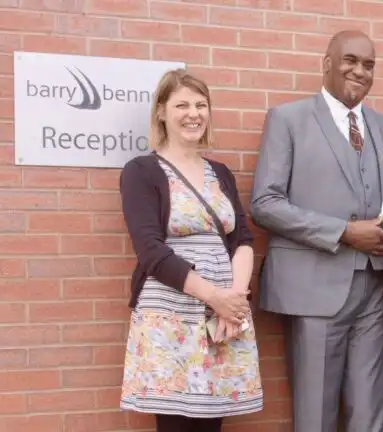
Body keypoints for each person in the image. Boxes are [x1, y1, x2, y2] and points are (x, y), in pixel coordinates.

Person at [250, 30, 383, 432]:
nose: (359, 70)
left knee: (371, 413)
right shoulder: (288, 119)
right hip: (314, 287)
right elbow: (265, 204)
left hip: (375, 286)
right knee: (315, 415)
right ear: (327, 64)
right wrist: (343, 232)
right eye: (350, 60)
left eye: (368, 64)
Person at [118, 69, 263, 432]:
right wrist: (215, 296)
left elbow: (243, 239)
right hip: (171, 314)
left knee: (212, 421)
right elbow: (150, 251)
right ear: (162, 112)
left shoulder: (220, 173)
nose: (193, 113)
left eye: (201, 104)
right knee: (176, 422)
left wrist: (234, 300)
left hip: (223, 314)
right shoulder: (141, 171)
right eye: (181, 104)